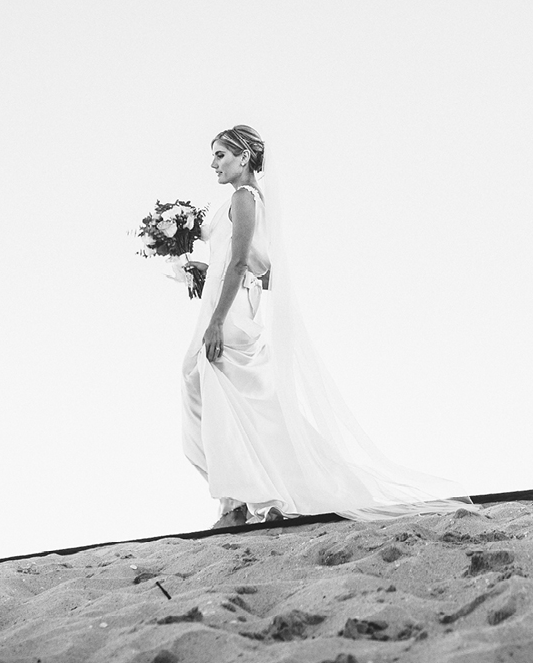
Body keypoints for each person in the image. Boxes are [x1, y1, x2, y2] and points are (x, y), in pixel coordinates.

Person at [182, 125, 472, 528]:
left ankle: (240, 502)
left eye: (220, 155)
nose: (213, 164)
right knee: (238, 402)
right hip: (230, 303)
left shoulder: (243, 198)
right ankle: (247, 496)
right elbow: (253, 269)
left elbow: (241, 262)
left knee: (213, 393)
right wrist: (205, 268)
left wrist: (216, 319)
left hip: (227, 313)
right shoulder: (250, 199)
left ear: (243, 158)